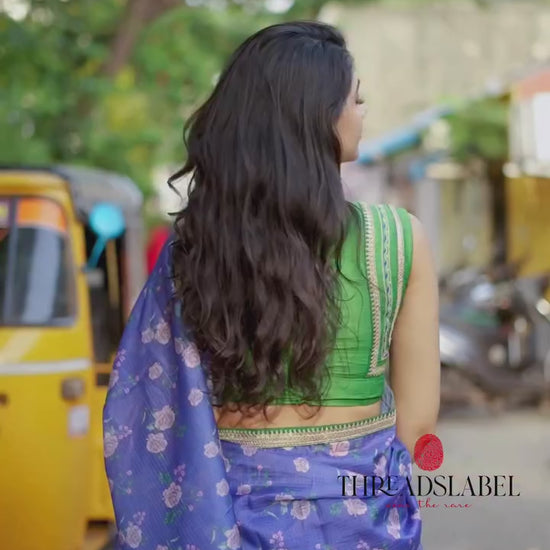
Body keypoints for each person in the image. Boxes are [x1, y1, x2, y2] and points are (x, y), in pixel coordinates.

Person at [103, 21, 440, 550]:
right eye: (355, 99)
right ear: (316, 115)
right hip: (363, 526)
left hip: (228, 525)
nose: (363, 112)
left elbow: (150, 410)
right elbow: (417, 427)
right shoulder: (400, 239)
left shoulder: (195, 250)